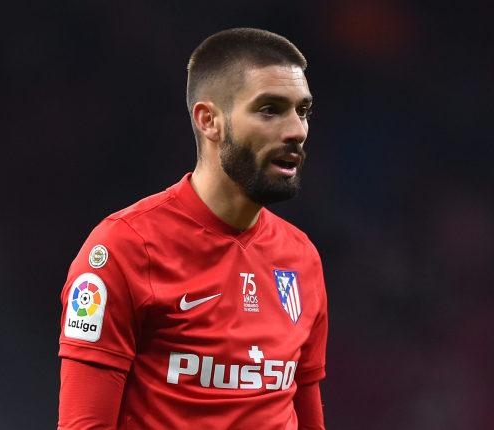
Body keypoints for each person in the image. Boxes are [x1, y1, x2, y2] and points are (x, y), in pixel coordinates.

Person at [58, 28, 328, 429]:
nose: (297, 131)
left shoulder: (301, 258)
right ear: (209, 121)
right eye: (270, 110)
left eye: (302, 111)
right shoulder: (125, 248)